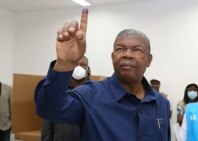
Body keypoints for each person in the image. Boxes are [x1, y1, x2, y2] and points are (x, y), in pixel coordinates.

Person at [34, 8, 171, 141]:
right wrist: (64, 64)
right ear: (113, 57)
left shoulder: (161, 103)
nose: (127, 55)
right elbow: (49, 108)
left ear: (149, 60)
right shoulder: (90, 95)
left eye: (137, 50)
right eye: (120, 49)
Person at [41, 56, 90, 141]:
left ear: (87, 69)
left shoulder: (94, 94)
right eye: (75, 64)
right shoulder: (57, 93)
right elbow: (47, 128)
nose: (78, 67)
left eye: (83, 65)